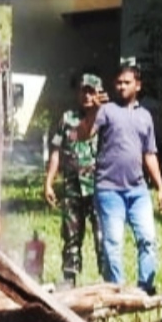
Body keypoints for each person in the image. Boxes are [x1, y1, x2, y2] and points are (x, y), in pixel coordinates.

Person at [92, 63, 162, 294]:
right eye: (119, 82)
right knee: (113, 244)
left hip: (138, 191)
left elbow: (149, 154)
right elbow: (87, 133)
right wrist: (93, 111)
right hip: (109, 189)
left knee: (148, 239)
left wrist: (160, 187)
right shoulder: (106, 111)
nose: (122, 86)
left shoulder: (145, 117)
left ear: (138, 85)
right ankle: (118, 292)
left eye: (127, 82)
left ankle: (145, 288)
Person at [43, 73, 106, 288]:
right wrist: (49, 182)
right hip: (72, 187)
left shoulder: (106, 117)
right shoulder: (67, 119)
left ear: (99, 93)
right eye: (83, 90)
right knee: (71, 235)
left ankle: (108, 280)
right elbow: (56, 151)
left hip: (99, 187)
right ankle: (69, 278)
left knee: (103, 236)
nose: (87, 95)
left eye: (91, 91)